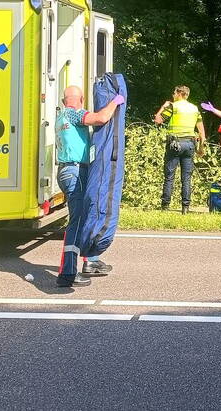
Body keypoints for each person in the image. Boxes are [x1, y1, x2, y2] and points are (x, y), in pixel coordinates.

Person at [56, 85, 124, 288]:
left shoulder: (61, 116)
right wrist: (115, 101)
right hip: (75, 171)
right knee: (77, 221)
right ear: (82, 100)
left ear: (62, 100)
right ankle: (67, 272)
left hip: (68, 170)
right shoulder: (74, 113)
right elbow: (101, 118)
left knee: (86, 217)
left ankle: (90, 261)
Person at [154, 86, 206, 214]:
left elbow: (158, 120)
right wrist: (200, 148)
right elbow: (201, 133)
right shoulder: (195, 109)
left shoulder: (173, 106)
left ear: (180, 94)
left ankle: (165, 207)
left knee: (169, 176)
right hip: (189, 144)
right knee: (186, 178)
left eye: (174, 93)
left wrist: (163, 106)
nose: (173, 95)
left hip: (175, 144)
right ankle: (185, 208)